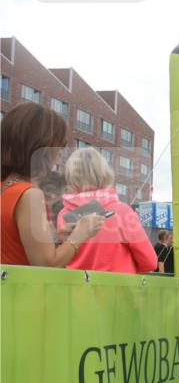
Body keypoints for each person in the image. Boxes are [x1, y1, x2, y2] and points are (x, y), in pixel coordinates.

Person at [1, 103, 104, 266]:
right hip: (22, 283)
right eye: (58, 147)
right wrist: (80, 234)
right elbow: (46, 263)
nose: (59, 155)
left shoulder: (6, 188)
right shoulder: (29, 195)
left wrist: (56, 240)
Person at [57, 148, 158, 274]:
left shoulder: (63, 215)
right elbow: (150, 262)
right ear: (104, 172)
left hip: (76, 285)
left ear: (70, 176)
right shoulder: (122, 212)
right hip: (117, 285)